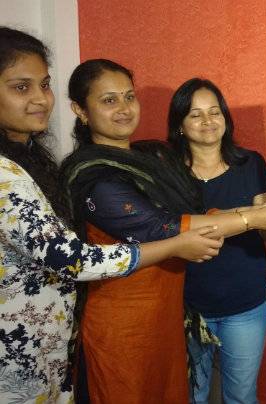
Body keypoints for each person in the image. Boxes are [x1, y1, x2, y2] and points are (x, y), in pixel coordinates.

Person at [0, 26, 222, 403]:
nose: (40, 99)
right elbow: (73, 258)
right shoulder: (10, 173)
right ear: (82, 110)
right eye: (21, 87)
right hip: (22, 353)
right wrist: (177, 244)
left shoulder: (34, 160)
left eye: (44, 84)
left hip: (52, 348)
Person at [61, 59, 266, 403]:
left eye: (129, 97)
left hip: (176, 306)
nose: (124, 109)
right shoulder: (102, 174)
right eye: (109, 100)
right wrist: (253, 218)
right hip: (133, 318)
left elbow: (204, 218)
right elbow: (164, 227)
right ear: (80, 110)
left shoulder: (149, 158)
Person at [167, 78, 266, 404]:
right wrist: (248, 217)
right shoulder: (167, 171)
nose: (207, 122)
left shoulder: (251, 164)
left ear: (226, 119)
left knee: (242, 396)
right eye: (195, 114)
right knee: (192, 396)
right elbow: (166, 231)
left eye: (215, 112)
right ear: (179, 125)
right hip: (186, 306)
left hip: (244, 305)